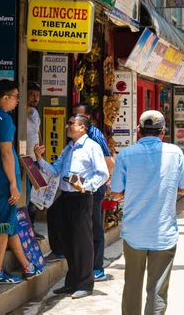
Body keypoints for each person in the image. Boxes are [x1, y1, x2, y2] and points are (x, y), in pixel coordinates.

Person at [111, 110, 184, 315]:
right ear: (162, 131)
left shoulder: (126, 155)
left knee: (132, 286)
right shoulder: (174, 153)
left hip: (134, 232)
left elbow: (116, 192)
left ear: (138, 130)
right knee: (158, 289)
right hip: (164, 233)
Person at [34, 114, 109, 299]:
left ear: (82, 127)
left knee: (82, 242)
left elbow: (103, 173)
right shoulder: (69, 148)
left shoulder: (92, 147)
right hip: (66, 196)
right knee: (67, 240)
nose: (67, 126)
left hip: (82, 197)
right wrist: (39, 159)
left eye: (71, 124)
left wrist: (86, 186)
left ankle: (85, 283)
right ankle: (72, 282)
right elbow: (54, 171)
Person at [0, 80, 44, 284]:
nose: (18, 100)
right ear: (5, 97)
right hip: (3, 177)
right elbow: (6, 152)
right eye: (16, 96)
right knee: (4, 223)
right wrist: (13, 183)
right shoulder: (4, 120)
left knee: (10, 221)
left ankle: (27, 266)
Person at [73, 103, 115, 282]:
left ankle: (97, 268)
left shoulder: (95, 135)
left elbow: (109, 162)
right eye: (73, 115)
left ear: (88, 118)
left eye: (79, 115)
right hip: (78, 190)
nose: (74, 119)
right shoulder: (75, 136)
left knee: (95, 226)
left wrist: (100, 183)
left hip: (93, 189)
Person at [26, 82, 44, 240]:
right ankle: (23, 229)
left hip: (35, 161)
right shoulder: (17, 113)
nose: (35, 98)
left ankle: (31, 228)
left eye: (37, 95)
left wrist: (41, 156)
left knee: (34, 197)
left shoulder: (35, 113)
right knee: (24, 198)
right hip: (24, 162)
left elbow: (38, 133)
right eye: (32, 94)